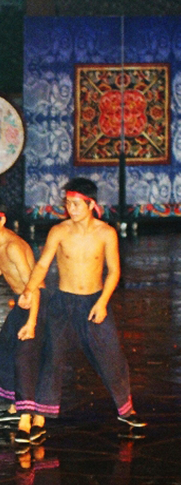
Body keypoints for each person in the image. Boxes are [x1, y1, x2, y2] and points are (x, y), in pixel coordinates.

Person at [18, 177, 145, 437]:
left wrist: (102, 302)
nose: (71, 209)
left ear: (91, 204)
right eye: (68, 204)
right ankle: (40, 418)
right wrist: (29, 290)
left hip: (93, 302)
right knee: (53, 358)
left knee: (111, 355)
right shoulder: (59, 231)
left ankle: (126, 410)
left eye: (76, 204)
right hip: (63, 302)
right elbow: (42, 264)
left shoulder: (106, 233)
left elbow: (114, 272)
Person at [0, 195, 44, 435]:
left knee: (24, 357)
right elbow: (3, 264)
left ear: (1, 220)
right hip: (23, 305)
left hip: (37, 303)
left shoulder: (13, 246)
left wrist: (32, 322)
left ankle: (29, 417)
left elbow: (33, 285)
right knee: (2, 351)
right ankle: (18, 401)